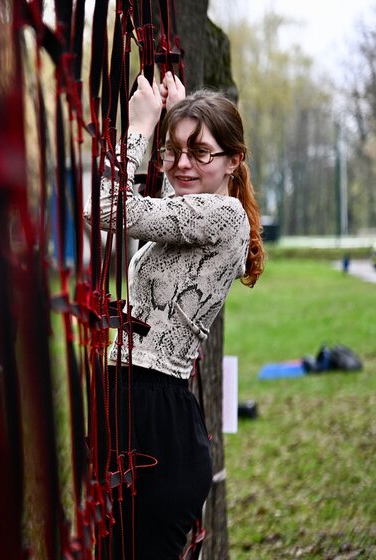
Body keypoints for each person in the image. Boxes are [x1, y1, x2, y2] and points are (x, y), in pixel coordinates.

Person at [86, 72, 265, 559]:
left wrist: (141, 125)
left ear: (234, 160)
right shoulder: (188, 211)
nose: (183, 163)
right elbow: (160, 201)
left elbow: (104, 207)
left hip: (157, 422)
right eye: (175, 151)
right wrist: (179, 120)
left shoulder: (224, 217)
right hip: (128, 406)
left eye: (202, 152)